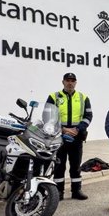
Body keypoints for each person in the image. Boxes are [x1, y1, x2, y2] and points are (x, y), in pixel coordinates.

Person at [47, 72, 92, 200]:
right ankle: (58, 192)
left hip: (76, 137)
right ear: (63, 82)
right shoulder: (53, 97)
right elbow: (48, 117)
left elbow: (88, 116)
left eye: (73, 80)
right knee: (59, 165)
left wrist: (78, 129)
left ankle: (76, 191)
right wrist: (62, 129)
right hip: (58, 136)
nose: (70, 83)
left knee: (76, 165)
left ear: (76, 82)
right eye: (67, 80)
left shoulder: (83, 97)